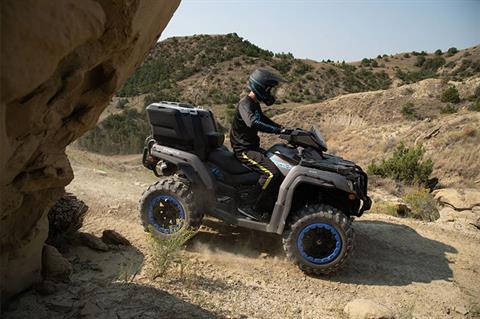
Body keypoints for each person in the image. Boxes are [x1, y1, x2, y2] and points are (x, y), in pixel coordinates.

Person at [229, 68, 293, 220]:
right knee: (271, 173)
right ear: (261, 87)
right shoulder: (245, 103)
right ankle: (251, 207)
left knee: (280, 165)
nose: (270, 92)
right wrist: (276, 130)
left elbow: (263, 119)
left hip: (252, 147)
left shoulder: (254, 104)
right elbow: (253, 122)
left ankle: (269, 204)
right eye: (269, 89)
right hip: (243, 150)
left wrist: (283, 128)